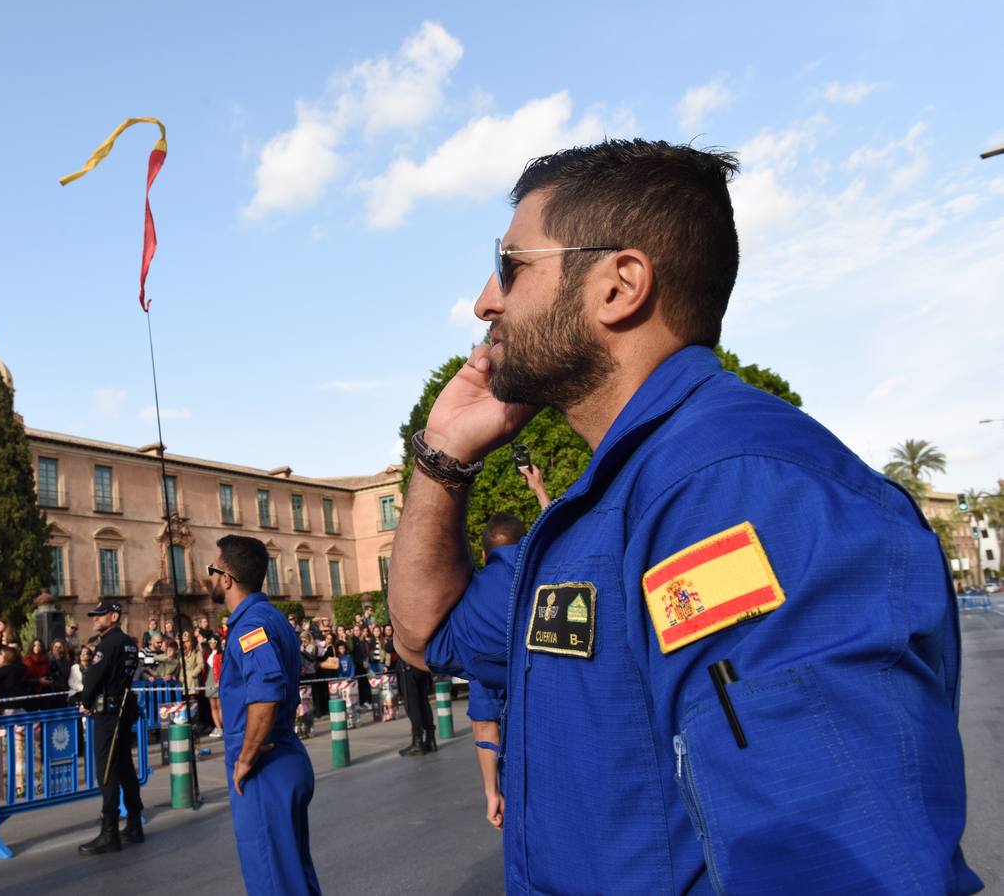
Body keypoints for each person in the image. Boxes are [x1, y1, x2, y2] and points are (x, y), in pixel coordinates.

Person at [388, 139, 981, 894]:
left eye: (513, 266)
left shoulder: (743, 496)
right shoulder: (601, 512)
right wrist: (442, 456)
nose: (484, 302)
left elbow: (841, 863)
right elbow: (425, 633)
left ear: (620, 285)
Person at [208, 535, 320, 895]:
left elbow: (266, 694)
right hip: (282, 758)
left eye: (212, 570)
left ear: (226, 578)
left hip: (265, 768)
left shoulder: (251, 626)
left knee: (272, 881)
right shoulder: (267, 616)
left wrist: (246, 758)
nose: (208, 578)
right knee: (293, 877)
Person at [467, 512, 527, 832]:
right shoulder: (554, 583)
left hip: (520, 773)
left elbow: (485, 725)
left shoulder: (475, 609)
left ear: (483, 555)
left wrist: (491, 791)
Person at [76, 599, 144, 856]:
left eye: (100, 614)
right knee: (125, 766)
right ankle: (135, 824)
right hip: (123, 709)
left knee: (107, 770)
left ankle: (109, 832)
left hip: (108, 713)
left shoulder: (108, 644)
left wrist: (84, 700)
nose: (95, 618)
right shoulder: (128, 643)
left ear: (114, 616)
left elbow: (94, 675)